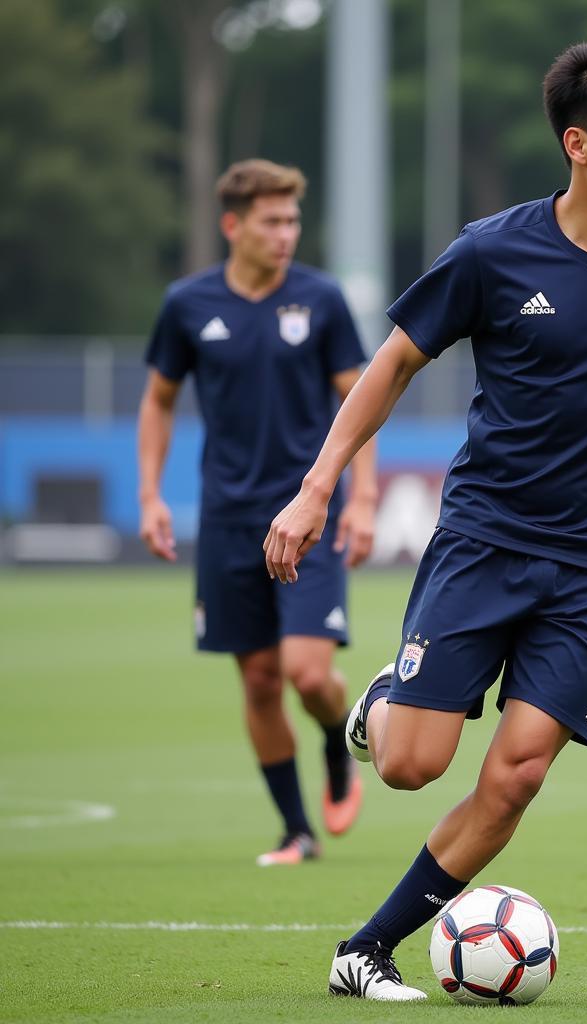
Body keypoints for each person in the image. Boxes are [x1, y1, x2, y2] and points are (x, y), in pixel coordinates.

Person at [265, 40, 587, 1001]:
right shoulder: (492, 250)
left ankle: (365, 950)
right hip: (487, 539)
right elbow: (393, 364)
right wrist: (318, 485)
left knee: (518, 774)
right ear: (579, 143)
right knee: (410, 766)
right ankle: (383, 710)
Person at [137, 159, 377, 866]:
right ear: (233, 225)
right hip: (228, 520)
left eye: (294, 220)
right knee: (260, 680)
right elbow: (158, 399)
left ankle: (336, 739)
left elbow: (358, 401)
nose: (286, 234)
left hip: (310, 514)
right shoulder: (187, 304)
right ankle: (296, 832)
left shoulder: (322, 300)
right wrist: (150, 494)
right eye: (272, 221)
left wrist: (360, 497)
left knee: (307, 673)